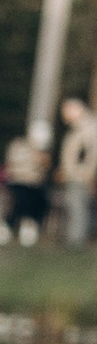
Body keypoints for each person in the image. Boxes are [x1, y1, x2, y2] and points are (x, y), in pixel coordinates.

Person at [58, 94, 97, 248]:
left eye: (66, 113)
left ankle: (76, 240)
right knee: (75, 206)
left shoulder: (88, 128)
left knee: (78, 206)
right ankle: (74, 237)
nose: (64, 117)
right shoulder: (79, 128)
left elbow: (89, 155)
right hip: (75, 175)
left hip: (80, 176)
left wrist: (86, 174)